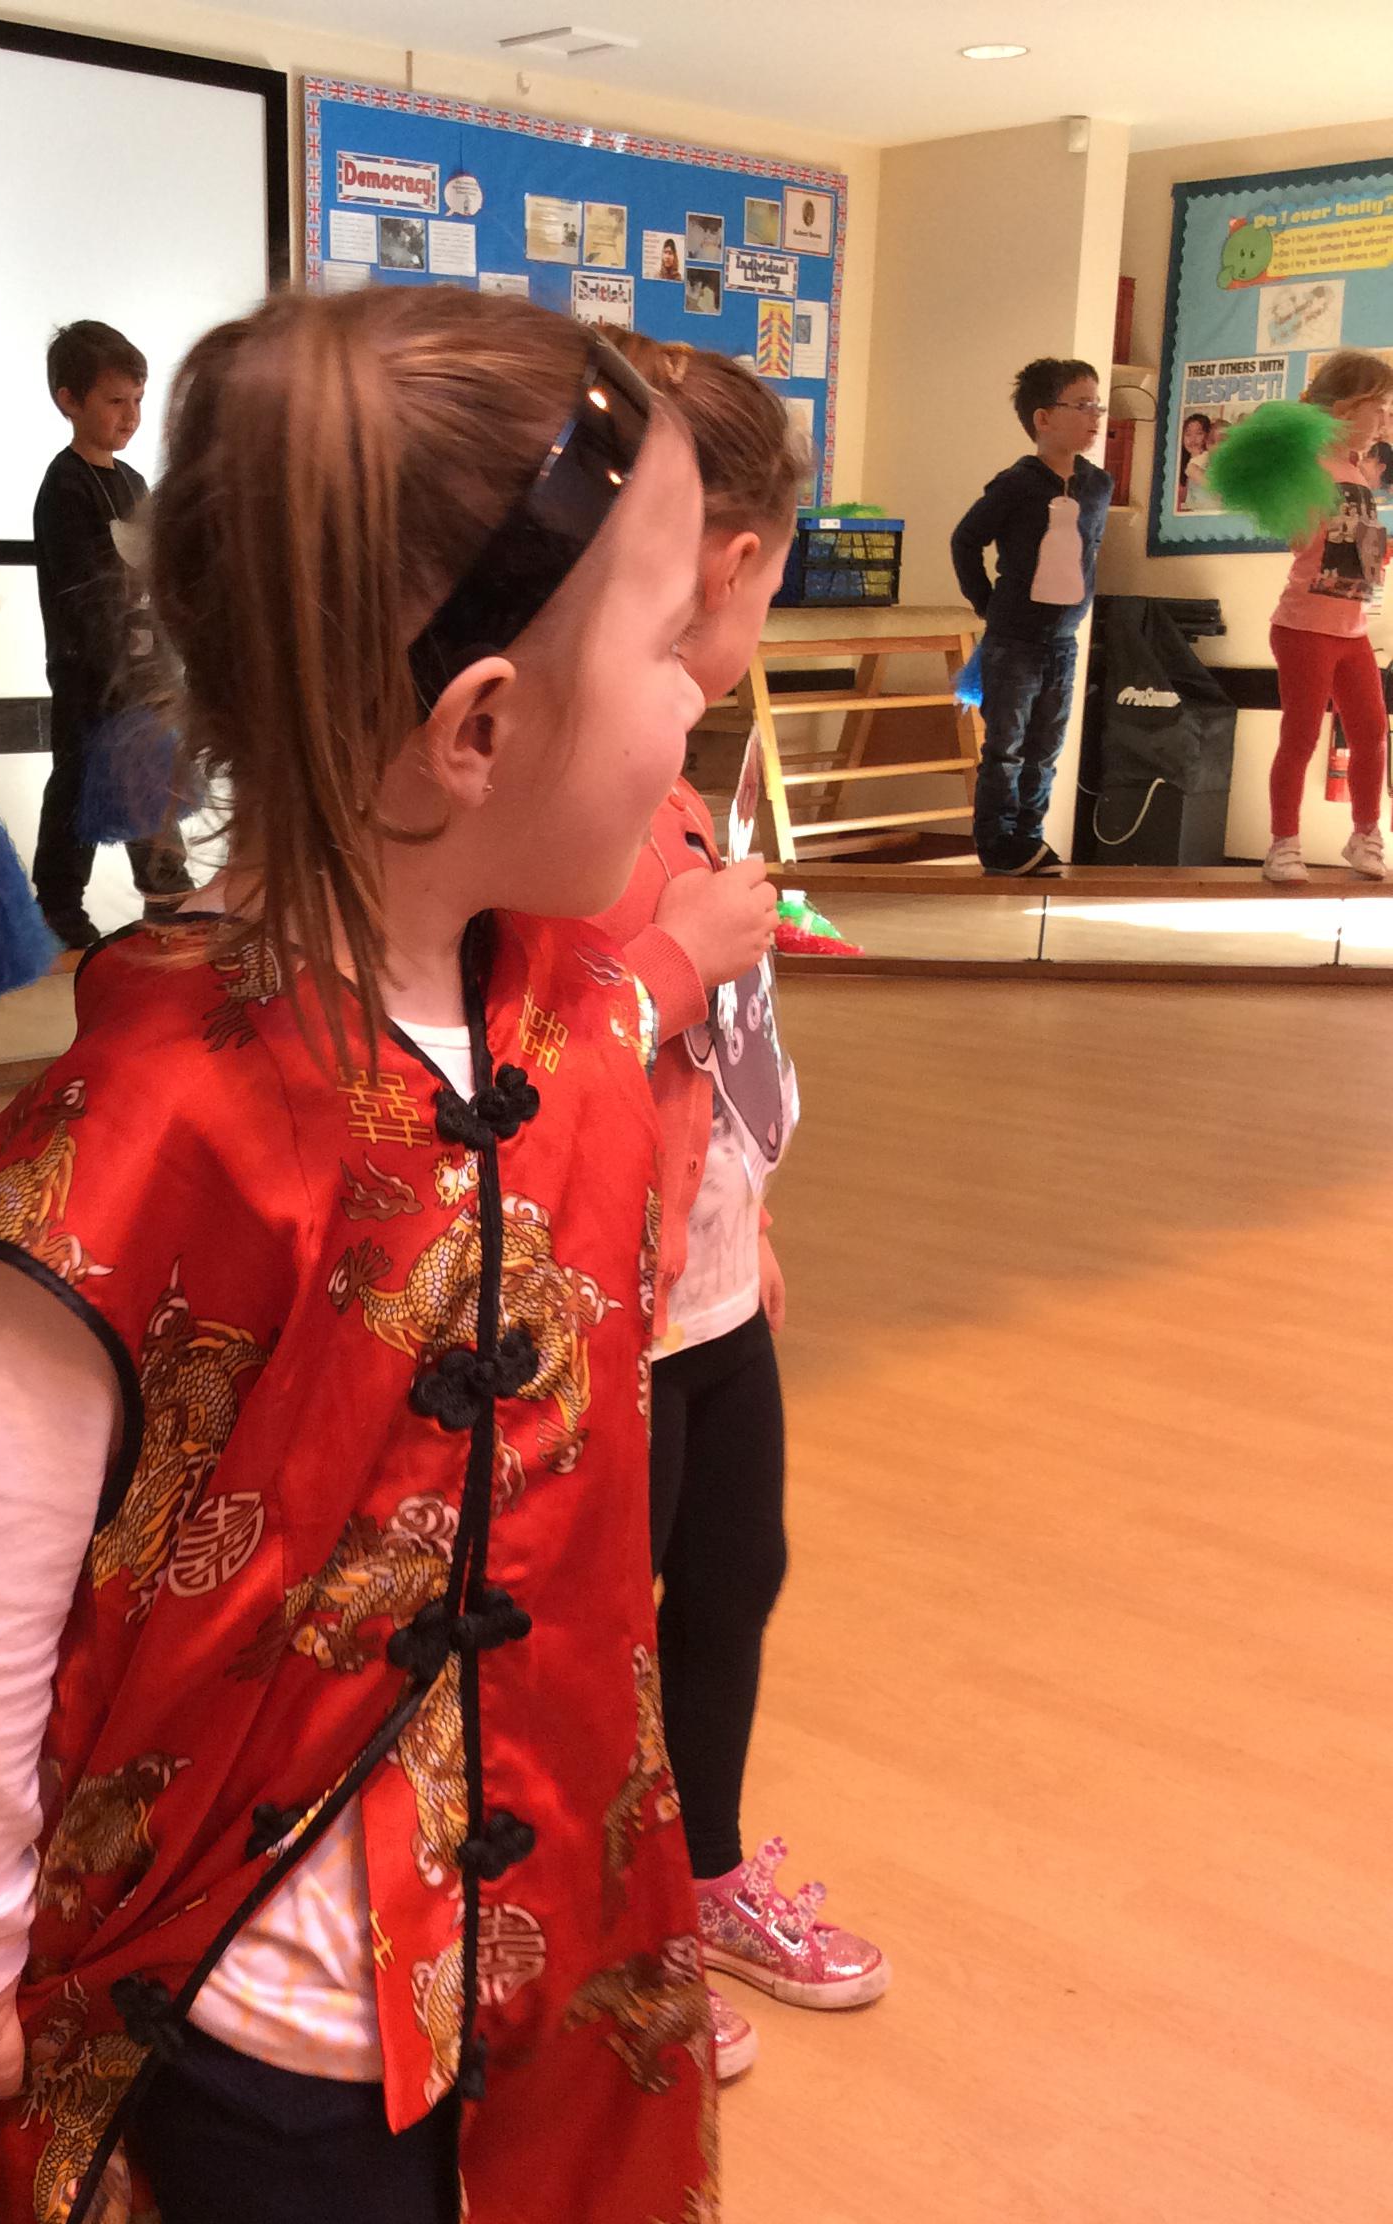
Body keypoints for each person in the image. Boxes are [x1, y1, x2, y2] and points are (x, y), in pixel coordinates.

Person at [0, 286, 713, 2224]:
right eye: (667, 643)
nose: (700, 696)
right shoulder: (163, 1113)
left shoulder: (563, 1012)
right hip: (286, 1969)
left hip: (541, 1907)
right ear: (478, 722)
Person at [593, 335, 889, 2084]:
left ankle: (696, 1878)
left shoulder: (678, 782)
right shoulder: (577, 802)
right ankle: (605, 1930)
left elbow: (713, 1068)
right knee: (596, 1632)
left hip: (703, 1292)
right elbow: (526, 1063)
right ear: (734, 558)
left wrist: (746, 1228)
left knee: (730, 1578)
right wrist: (672, 956)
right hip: (601, 1312)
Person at [29, 318, 191, 949]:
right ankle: (58, 905)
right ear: (68, 400)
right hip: (88, 674)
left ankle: (168, 896)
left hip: (144, 669)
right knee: (77, 783)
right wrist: (112, 667)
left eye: (138, 400)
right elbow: (81, 596)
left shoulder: (132, 482)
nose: (131, 416)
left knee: (151, 778)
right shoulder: (64, 485)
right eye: (115, 401)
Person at [951, 355, 1113, 876]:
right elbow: (965, 540)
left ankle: (1030, 838)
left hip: (1064, 641)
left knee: (1046, 746)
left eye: (1098, 406)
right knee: (1006, 746)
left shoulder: (1098, 485)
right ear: (1043, 418)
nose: (1094, 417)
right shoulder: (1017, 484)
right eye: (1081, 405)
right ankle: (996, 843)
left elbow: (1087, 553)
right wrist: (988, 605)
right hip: (1014, 641)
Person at [1260, 348, 1393, 885]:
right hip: (1304, 628)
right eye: (1377, 408)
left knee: (1372, 733)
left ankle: (1364, 834)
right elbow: (1298, 539)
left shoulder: (1356, 470)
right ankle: (1283, 845)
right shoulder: (1309, 467)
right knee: (1300, 737)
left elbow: (1357, 550)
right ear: (1344, 409)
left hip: (1350, 629)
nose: (1384, 418)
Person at [1175, 408, 1215, 513]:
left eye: (1199, 433)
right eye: (1188, 434)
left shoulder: (1209, 460)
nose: (1192, 439)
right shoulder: (1181, 463)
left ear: (1208, 435)